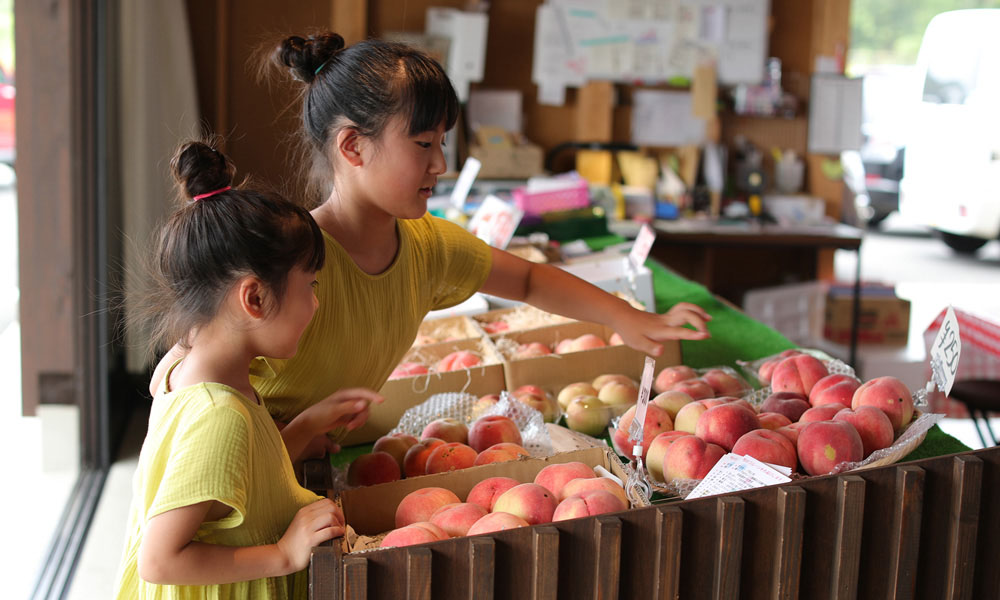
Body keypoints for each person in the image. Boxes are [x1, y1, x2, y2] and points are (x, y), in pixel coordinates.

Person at [150, 32, 711, 427]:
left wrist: (627, 316)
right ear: (353, 147)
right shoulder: (289, 258)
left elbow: (532, 283)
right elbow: (192, 375)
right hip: (242, 496)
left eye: (442, 142)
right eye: (423, 144)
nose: (440, 164)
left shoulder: (428, 248)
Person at [116, 141, 381, 599]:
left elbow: (236, 480)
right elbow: (160, 560)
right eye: (310, 286)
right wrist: (284, 553)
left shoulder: (186, 363)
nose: (316, 304)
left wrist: (306, 426)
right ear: (254, 298)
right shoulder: (221, 415)